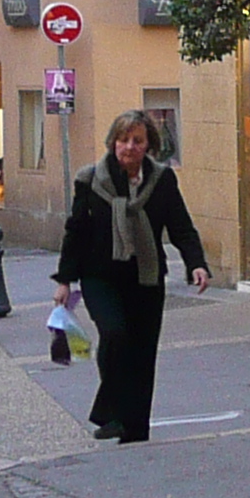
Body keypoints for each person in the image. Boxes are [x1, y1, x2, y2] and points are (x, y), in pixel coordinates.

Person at [54, 110, 210, 444]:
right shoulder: (90, 180)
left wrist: (196, 263)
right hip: (101, 276)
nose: (129, 147)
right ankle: (110, 410)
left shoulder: (162, 180)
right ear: (113, 143)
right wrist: (64, 280)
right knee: (115, 335)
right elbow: (76, 231)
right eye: (123, 140)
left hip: (146, 277)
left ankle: (134, 428)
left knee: (142, 351)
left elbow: (181, 226)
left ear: (148, 145)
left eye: (137, 140)